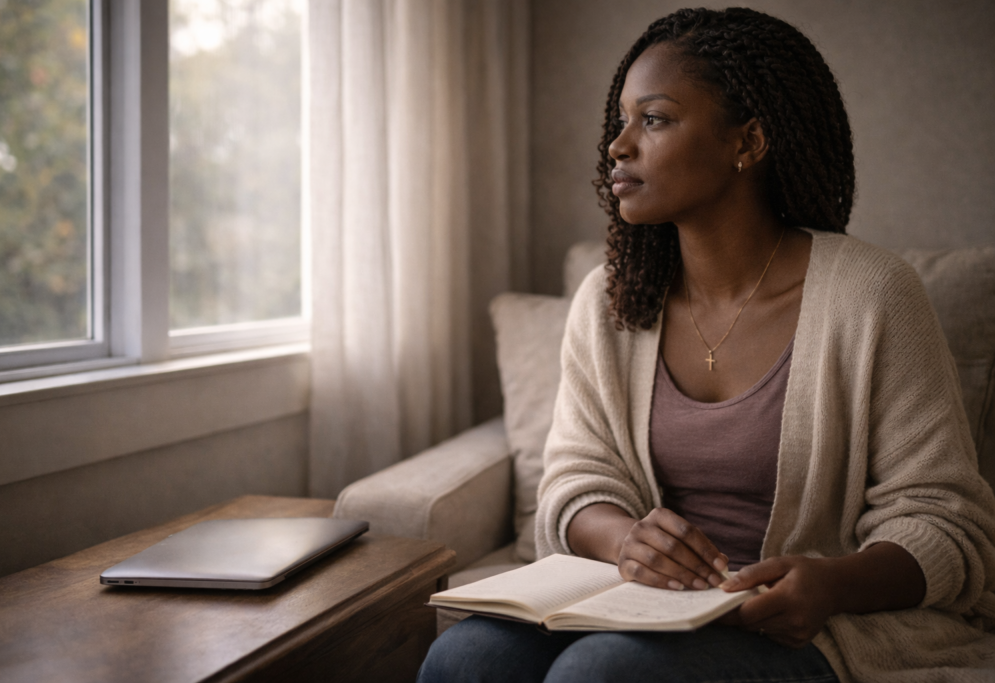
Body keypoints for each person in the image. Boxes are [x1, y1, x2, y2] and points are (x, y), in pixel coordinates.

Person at [418, 7, 995, 682]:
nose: (618, 145)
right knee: (464, 656)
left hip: (810, 628)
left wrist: (830, 583)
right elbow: (576, 479)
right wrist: (627, 540)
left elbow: (946, 521)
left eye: (654, 119)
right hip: (637, 605)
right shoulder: (610, 301)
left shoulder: (874, 295)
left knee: (601, 674)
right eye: (621, 120)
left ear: (747, 141)